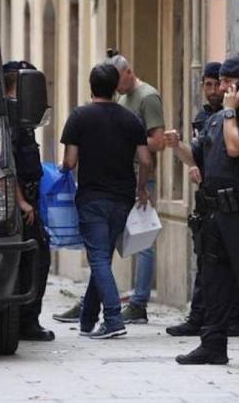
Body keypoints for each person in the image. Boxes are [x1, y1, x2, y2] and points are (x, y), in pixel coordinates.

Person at [164, 54, 239, 367]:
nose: (224, 89)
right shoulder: (216, 120)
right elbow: (196, 157)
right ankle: (212, 345)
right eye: (223, 82)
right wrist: (177, 146)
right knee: (213, 279)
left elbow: (235, 148)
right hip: (212, 213)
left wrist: (230, 111)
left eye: (229, 83)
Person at [53, 50, 165, 325]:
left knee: (98, 258)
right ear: (116, 87)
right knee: (103, 256)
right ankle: (88, 317)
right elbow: (145, 159)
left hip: (92, 197)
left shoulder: (79, 117)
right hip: (123, 198)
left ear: (91, 87)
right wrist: (141, 189)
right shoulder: (130, 120)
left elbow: (70, 161)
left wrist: (64, 170)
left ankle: (113, 318)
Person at [166, 62, 239, 338]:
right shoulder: (204, 118)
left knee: (233, 263)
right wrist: (179, 149)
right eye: (208, 85)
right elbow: (197, 155)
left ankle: (233, 320)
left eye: (217, 84)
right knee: (206, 260)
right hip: (208, 198)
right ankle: (201, 316)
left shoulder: (238, 116)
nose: (213, 91)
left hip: (234, 200)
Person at [3, 61, 55, 342]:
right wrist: (22, 201)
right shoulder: (9, 117)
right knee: (35, 259)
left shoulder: (18, 116)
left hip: (28, 198)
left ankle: (25, 318)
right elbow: (6, 163)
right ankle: (26, 320)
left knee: (34, 259)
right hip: (20, 202)